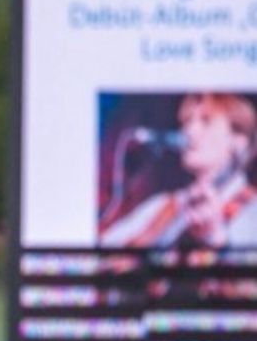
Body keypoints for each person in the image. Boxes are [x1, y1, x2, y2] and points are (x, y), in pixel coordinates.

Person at [100, 93, 257, 249]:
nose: (189, 131)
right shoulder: (165, 204)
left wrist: (214, 237)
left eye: (206, 121)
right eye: (186, 122)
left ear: (239, 140)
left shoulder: (251, 206)